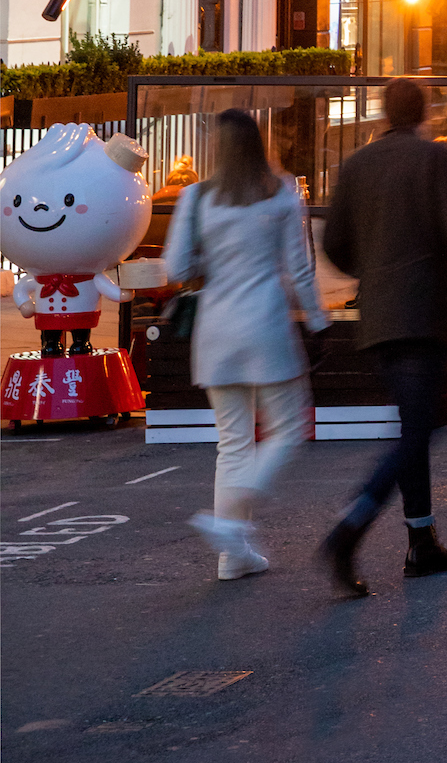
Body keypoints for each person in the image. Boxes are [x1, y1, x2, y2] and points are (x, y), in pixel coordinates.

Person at [161, 107, 326, 584]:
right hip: (267, 326)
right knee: (289, 428)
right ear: (258, 144)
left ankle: (232, 556)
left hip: (215, 330)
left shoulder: (195, 198)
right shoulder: (281, 193)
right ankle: (232, 526)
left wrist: (209, 260)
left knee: (232, 441)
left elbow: (175, 267)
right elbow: (299, 268)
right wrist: (318, 320)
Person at [319, 79, 447, 596]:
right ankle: (350, 527)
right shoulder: (438, 160)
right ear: (424, 112)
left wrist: (376, 272)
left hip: (381, 315)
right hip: (423, 312)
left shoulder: (357, 164)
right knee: (419, 428)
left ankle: (421, 540)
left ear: (384, 112)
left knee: (416, 425)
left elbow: (335, 242)